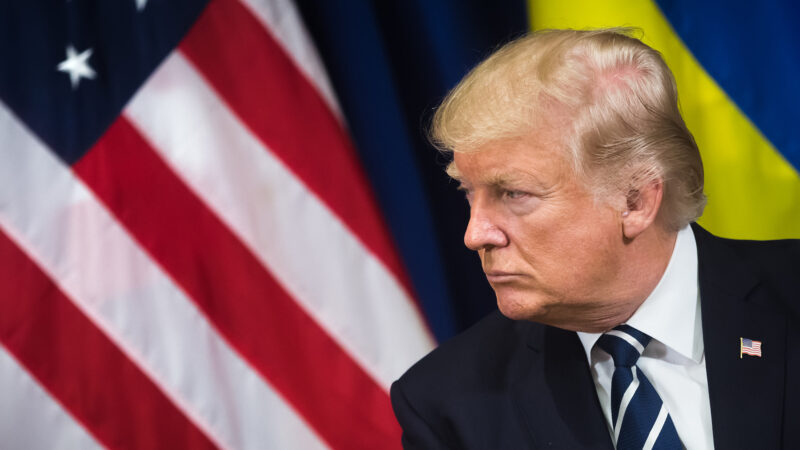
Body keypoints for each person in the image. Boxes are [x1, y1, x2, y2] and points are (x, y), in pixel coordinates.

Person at [391, 28, 800, 450]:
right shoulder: (447, 405)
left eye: (513, 193)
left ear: (636, 200)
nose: (475, 235)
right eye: (468, 194)